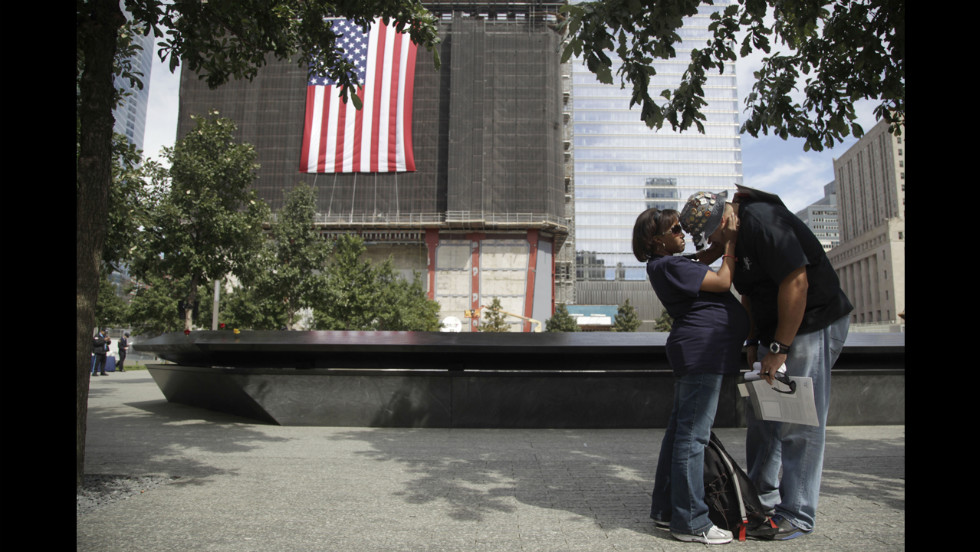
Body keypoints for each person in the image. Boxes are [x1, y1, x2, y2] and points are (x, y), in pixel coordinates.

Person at [685, 185, 853, 540]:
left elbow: (797, 282)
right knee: (764, 418)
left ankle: (797, 512)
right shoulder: (734, 236)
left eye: (711, 235)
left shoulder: (762, 220)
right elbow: (749, 291)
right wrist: (753, 339)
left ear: (725, 217)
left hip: (811, 322)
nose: (710, 244)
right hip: (773, 331)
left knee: (799, 421)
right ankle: (760, 497)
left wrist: (780, 347)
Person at [632, 194, 747, 545]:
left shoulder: (669, 264)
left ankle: (667, 510)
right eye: (676, 229)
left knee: (680, 434)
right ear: (656, 241)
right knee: (692, 438)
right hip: (702, 353)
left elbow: (702, 257)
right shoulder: (672, 266)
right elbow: (723, 280)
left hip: (698, 352)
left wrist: (719, 240)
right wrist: (730, 243)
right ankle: (691, 521)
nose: (683, 233)